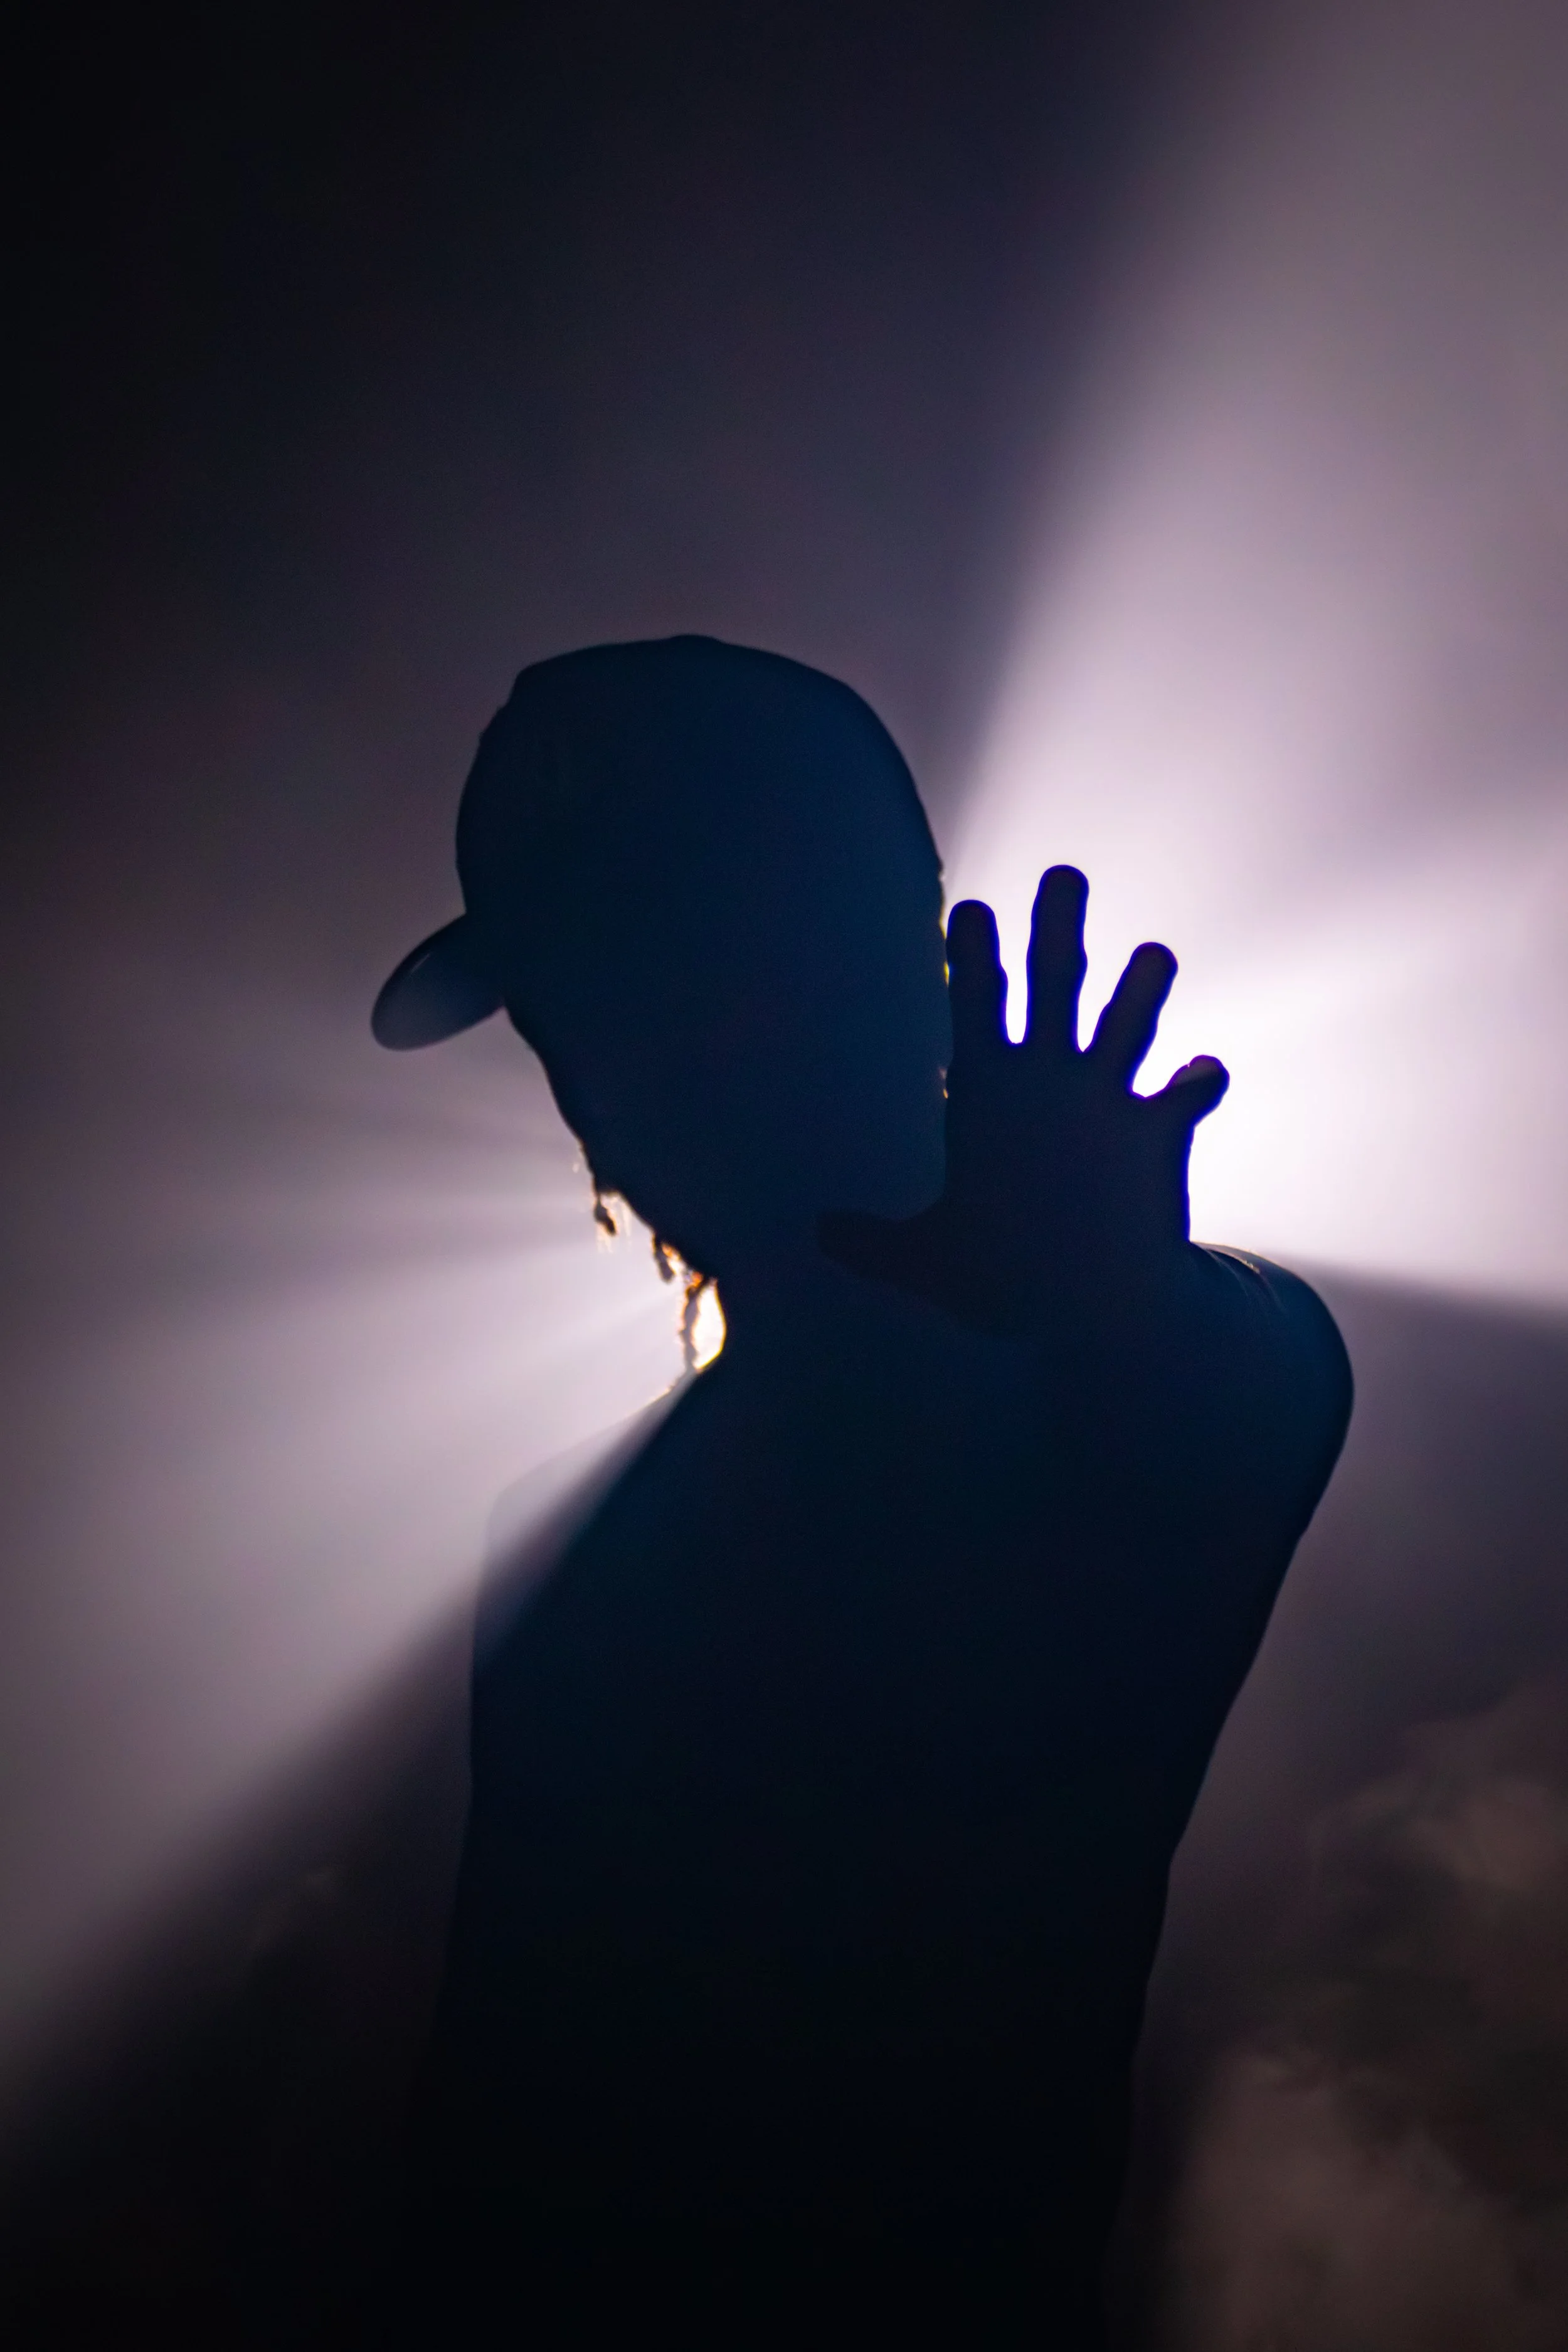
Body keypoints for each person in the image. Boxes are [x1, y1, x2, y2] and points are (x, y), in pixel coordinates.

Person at [371, 635, 1351, 2347]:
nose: (597, 1070)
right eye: (560, 1004)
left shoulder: (1102, 1385)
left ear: (854, 963)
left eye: (655, 974)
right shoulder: (564, 1538)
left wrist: (1109, 1288)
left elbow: (1224, 1384)